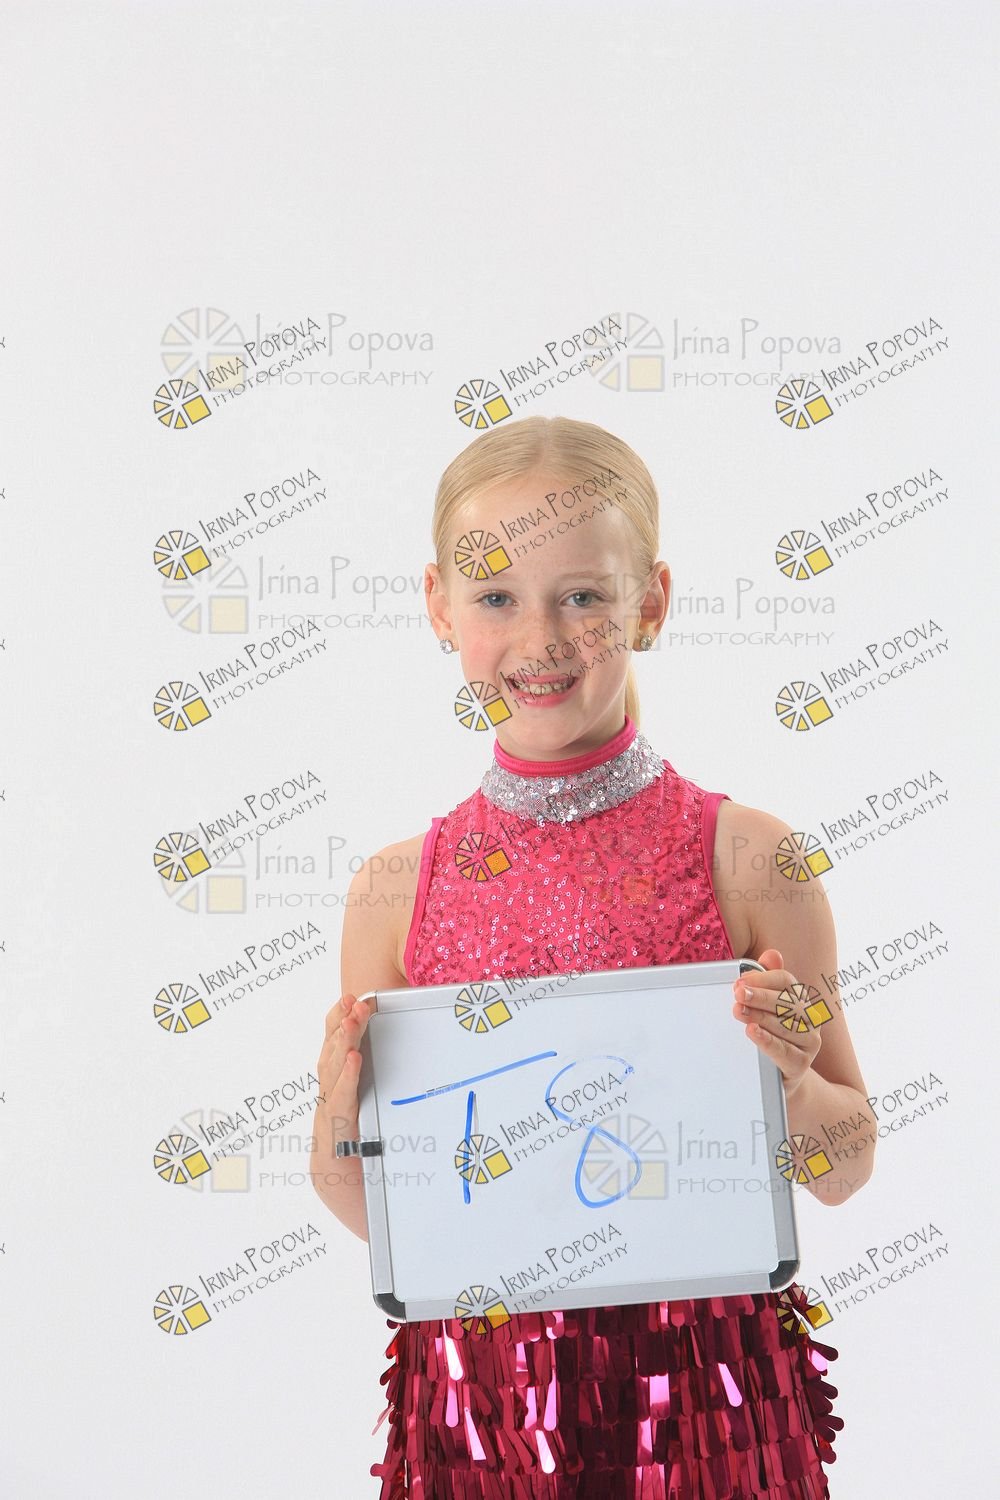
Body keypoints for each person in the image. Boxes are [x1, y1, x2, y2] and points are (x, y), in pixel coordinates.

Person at [312, 414, 872, 1498]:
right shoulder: (395, 889)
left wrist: (793, 1081)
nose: (542, 638)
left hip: (710, 1399)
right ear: (438, 605)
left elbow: (845, 1168)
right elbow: (378, 1213)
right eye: (495, 598)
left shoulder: (750, 859)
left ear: (649, 603)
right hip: (481, 1412)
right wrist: (341, 1113)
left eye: (583, 597)